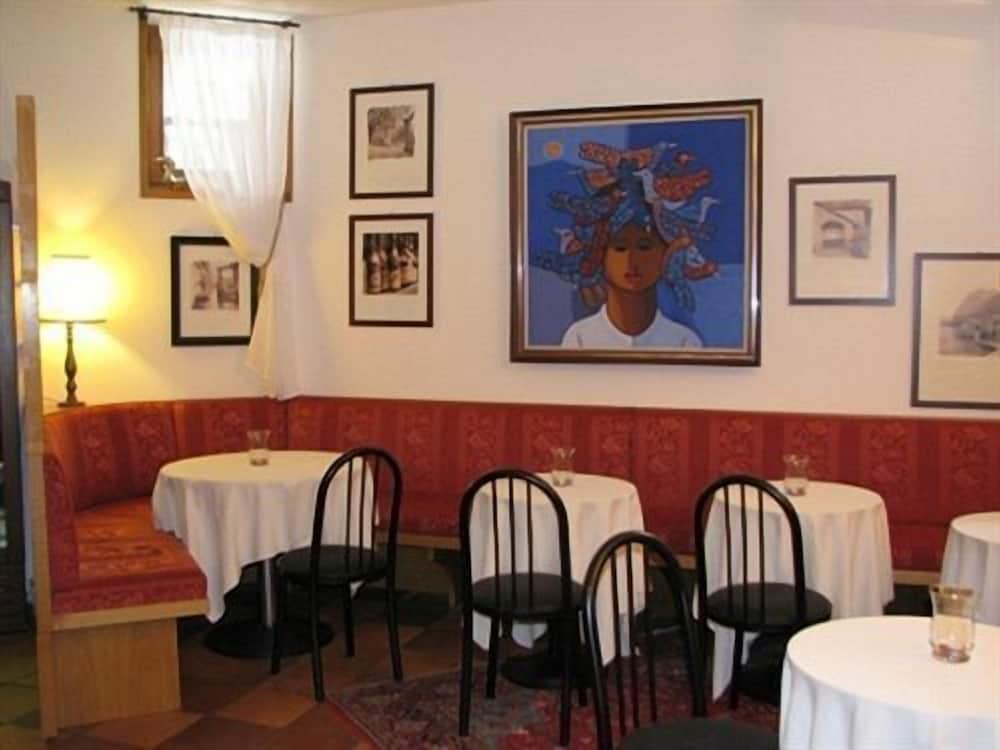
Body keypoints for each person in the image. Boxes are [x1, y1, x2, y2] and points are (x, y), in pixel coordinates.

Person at [561, 220, 703, 348]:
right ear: (601, 258)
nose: (631, 260)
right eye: (620, 248)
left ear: (665, 256)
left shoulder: (684, 342)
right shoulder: (579, 338)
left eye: (644, 247)